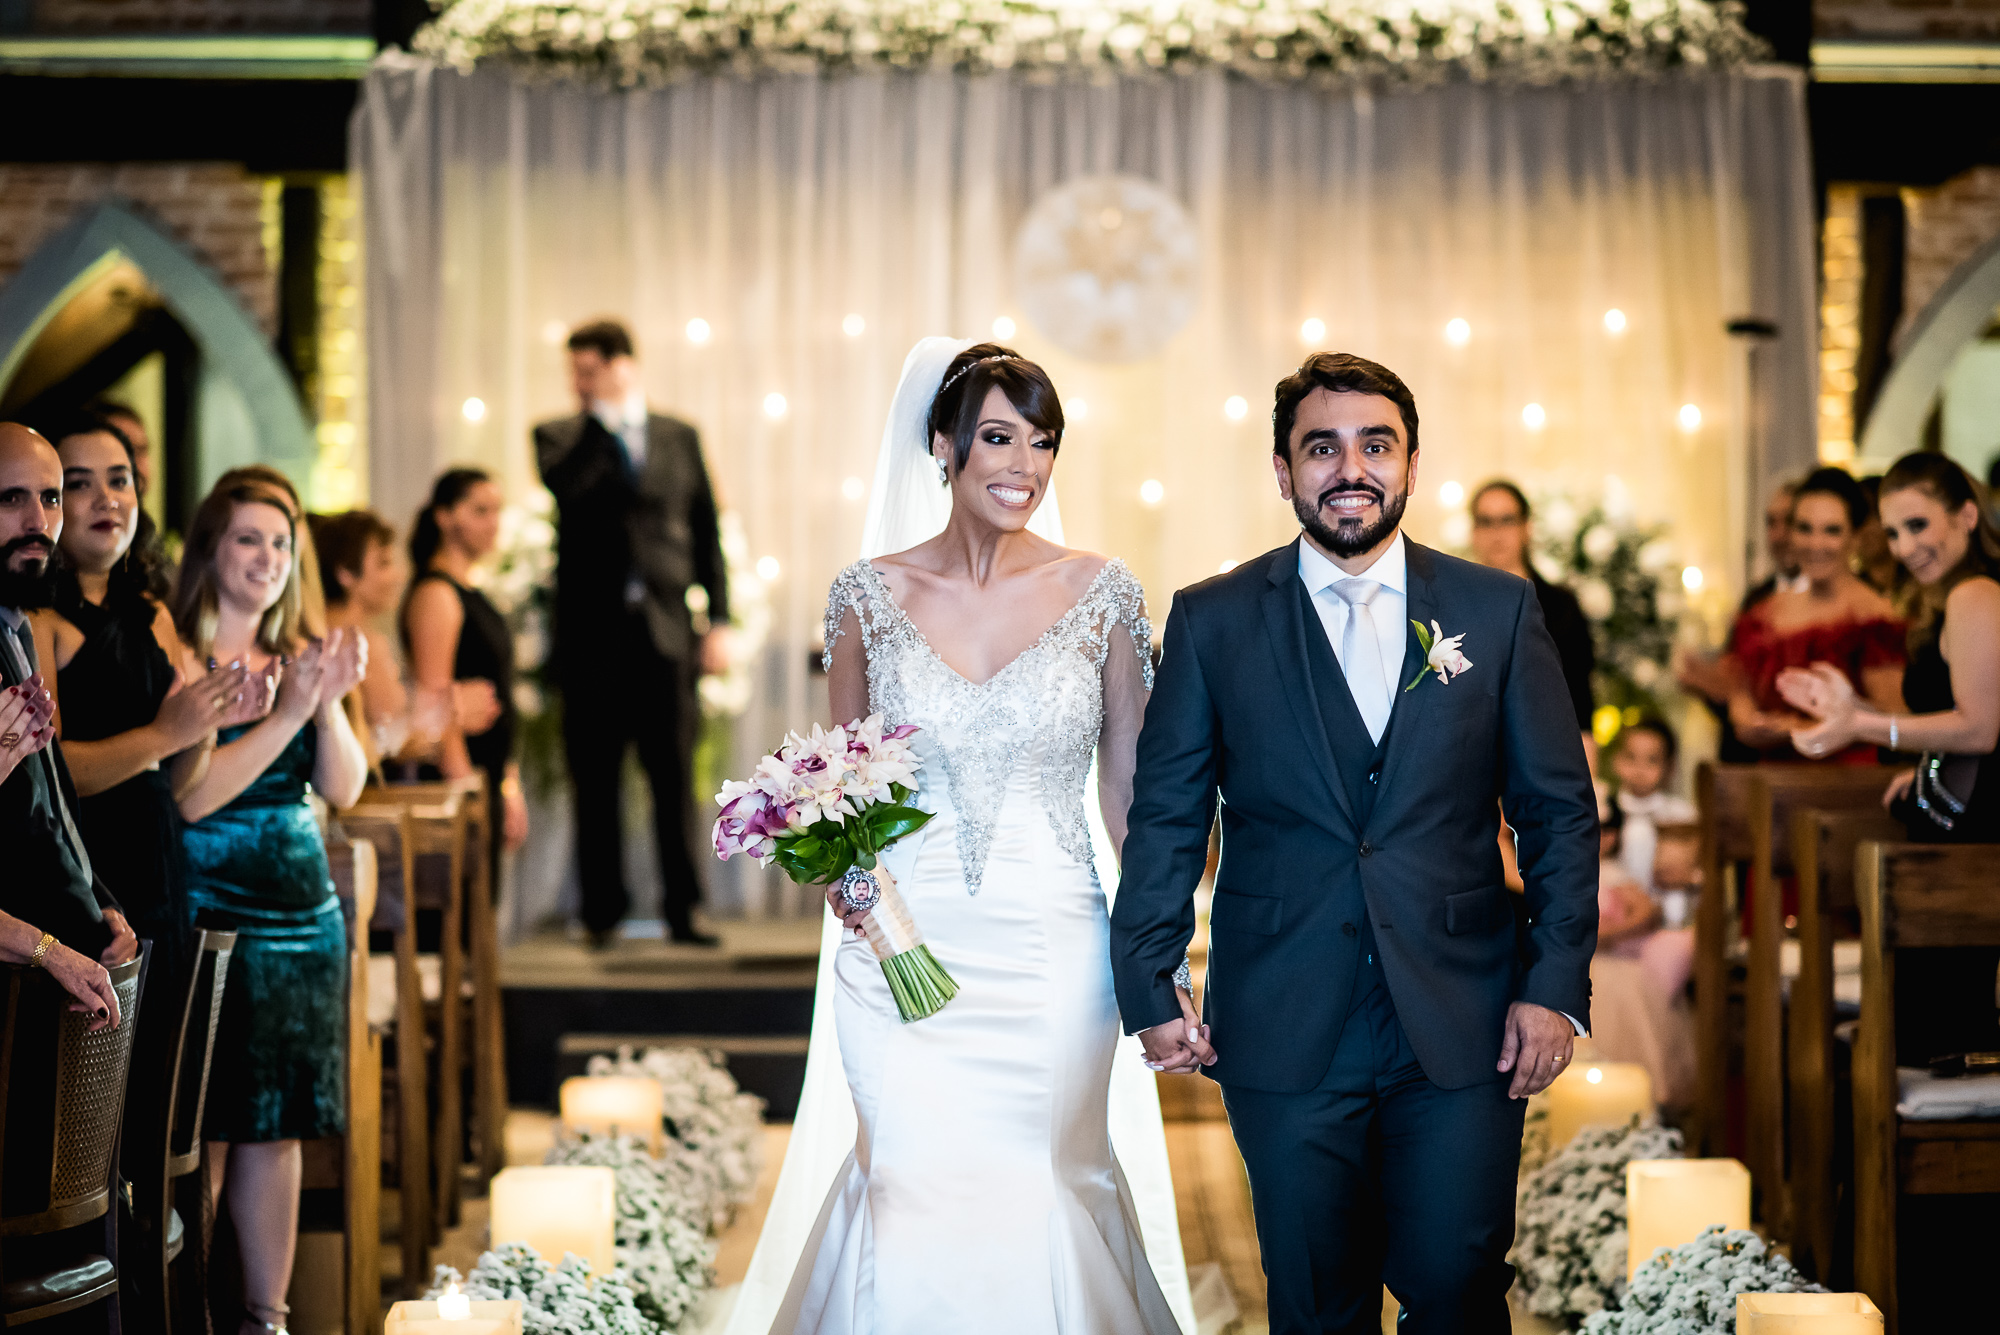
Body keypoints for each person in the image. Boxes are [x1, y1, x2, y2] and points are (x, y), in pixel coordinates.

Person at [1112, 353, 1598, 1333]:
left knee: (1457, 1293)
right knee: (1314, 1306)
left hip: (1463, 1020)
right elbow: (1167, 816)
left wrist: (1553, 987)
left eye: (1375, 445)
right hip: (1282, 1019)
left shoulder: (1495, 610)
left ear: (1411, 464)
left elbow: (1556, 813)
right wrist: (1148, 981)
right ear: (1282, 469)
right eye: (1321, 447)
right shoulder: (1212, 620)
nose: (1350, 469)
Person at [725, 340, 1189, 1335]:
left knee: (1042, 1175)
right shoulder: (864, 596)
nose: (1024, 464)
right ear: (943, 445)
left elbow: (1129, 795)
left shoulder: (1105, 593)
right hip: (902, 938)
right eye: (998, 437)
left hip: (1053, 946)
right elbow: (842, 789)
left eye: (1042, 441)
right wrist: (853, 892)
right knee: (904, 1178)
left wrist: (1162, 948)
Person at [173, 475, 368, 1335]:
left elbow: (346, 786)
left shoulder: (298, 652)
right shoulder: (180, 651)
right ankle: (194, 1310)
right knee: (209, 1123)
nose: (268, 558)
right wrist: (287, 715)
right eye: (249, 539)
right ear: (212, 549)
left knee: (278, 1126)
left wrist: (324, 706)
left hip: (303, 916)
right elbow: (195, 797)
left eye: (281, 543)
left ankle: (267, 1316)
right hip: (212, 909)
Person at [1781, 452, 2000, 1062]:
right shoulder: (1954, 596)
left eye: (1918, 525)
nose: (1905, 547)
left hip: (1973, 836)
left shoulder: (1977, 594)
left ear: (1965, 515)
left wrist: (1862, 726)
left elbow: (1982, 729)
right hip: (1954, 825)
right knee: (1922, 1029)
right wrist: (1921, 768)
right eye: (1894, 532)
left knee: (1941, 1034)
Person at [535, 319, 730, 946]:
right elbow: (570, 491)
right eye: (573, 372)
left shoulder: (678, 435)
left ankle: (684, 908)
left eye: (589, 370)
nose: (578, 383)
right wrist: (602, 423)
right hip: (591, 636)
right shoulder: (560, 437)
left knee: (673, 775)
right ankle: (601, 912)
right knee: (596, 777)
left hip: (666, 631)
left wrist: (719, 619)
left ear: (623, 366)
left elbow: (705, 528)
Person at [42, 412, 251, 953]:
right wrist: (165, 734)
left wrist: (206, 722)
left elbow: (172, 786)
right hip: (84, 872)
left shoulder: (154, 614)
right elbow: (48, 773)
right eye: (78, 484)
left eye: (119, 480)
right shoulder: (38, 619)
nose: (106, 499)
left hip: (158, 861)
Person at [0, 422, 133, 1032]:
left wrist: (97, 899)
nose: (38, 521)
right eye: (11, 498)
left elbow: (48, 808)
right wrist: (47, 950)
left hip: (61, 975)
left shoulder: (17, 627)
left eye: (50, 497)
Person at [1723, 467, 1904, 761]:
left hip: (1847, 778)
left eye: (1832, 531)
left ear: (1855, 536)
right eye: (1805, 529)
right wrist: (1747, 720)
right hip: (1770, 777)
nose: (1815, 544)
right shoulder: (1763, 614)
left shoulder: (1876, 619)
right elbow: (1740, 693)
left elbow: (1894, 720)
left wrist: (1796, 728)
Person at [401, 469, 527, 855]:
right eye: (480, 511)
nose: (493, 523)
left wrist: (508, 783)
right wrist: (468, 795)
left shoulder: (471, 591)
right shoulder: (437, 593)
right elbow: (436, 701)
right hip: (458, 776)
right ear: (444, 516)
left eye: (497, 511)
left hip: (488, 768)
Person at [1467, 480, 1596, 753]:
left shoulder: (1561, 606)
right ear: (1473, 532)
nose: (1496, 533)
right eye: (1486, 522)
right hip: (1472, 753)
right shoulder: (1453, 604)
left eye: (1507, 520)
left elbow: (1579, 695)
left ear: (1526, 528)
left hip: (1547, 751)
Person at [1678, 477, 1799, 763]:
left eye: (1790, 522)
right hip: (1746, 761)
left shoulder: (1840, 604)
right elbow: (1735, 680)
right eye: (1771, 523)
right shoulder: (1756, 597)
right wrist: (1709, 683)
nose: (1778, 535)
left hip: (1804, 763)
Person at [1589, 798, 1696, 1110]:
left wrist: (1606, 935)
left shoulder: (1612, 874)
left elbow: (1647, 912)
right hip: (1578, 966)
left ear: (1610, 839)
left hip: (1609, 969)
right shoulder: (1560, 874)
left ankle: (1625, 1106)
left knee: (1621, 1040)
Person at [310, 509, 417, 758]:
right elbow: (392, 738)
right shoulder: (358, 643)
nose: (398, 576)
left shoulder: (311, 630)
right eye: (384, 564)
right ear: (345, 573)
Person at [1608, 718, 1697, 910]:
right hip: (1619, 910)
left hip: (1668, 910)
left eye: (1652, 760)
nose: (1640, 768)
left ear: (1669, 767)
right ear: (1616, 760)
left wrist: (1688, 876)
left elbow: (1698, 871)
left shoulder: (1682, 814)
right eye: (1631, 757)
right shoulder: (1606, 811)